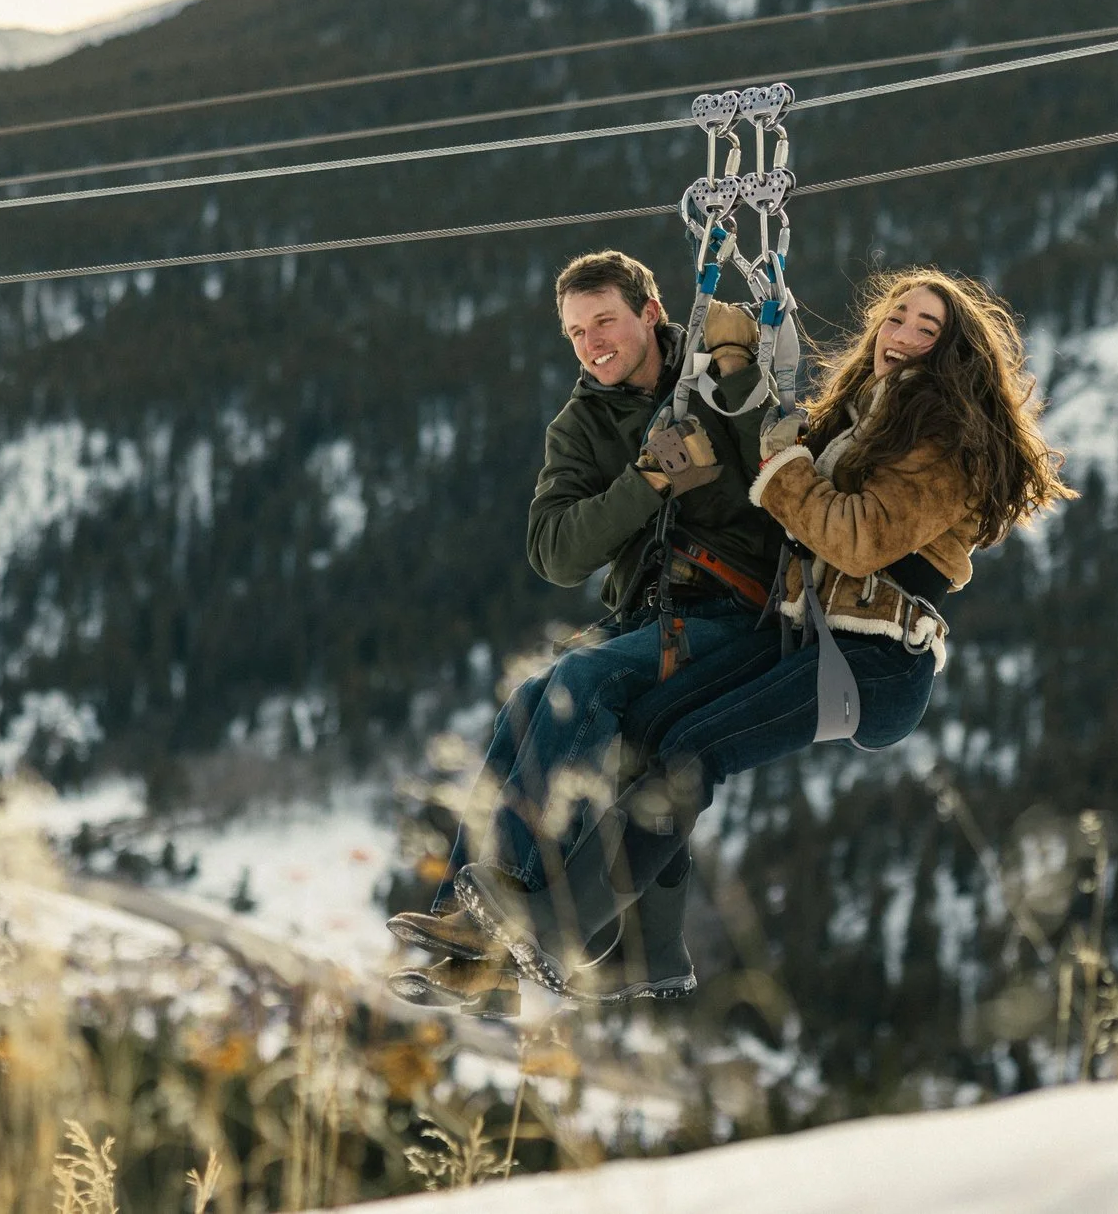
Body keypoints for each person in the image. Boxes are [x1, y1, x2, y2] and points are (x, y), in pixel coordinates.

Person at [451, 267, 1075, 991]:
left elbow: (852, 537)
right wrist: (742, 378)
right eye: (895, 318)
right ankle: (647, 953)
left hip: (875, 659)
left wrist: (768, 436)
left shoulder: (939, 440)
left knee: (691, 751)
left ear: (952, 353)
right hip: (821, 638)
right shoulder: (865, 416)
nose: (899, 335)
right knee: (652, 725)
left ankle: (556, 927)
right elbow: (782, 461)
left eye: (924, 329)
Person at [386, 249, 786, 1012]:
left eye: (604, 320)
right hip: (650, 615)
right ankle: (471, 922)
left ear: (650, 313)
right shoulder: (580, 425)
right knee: (528, 699)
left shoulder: (716, 380)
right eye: (575, 332)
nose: (591, 342)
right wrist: (643, 486)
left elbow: (780, 453)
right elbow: (556, 551)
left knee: (580, 684)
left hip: (738, 611)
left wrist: (735, 371)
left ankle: (518, 906)